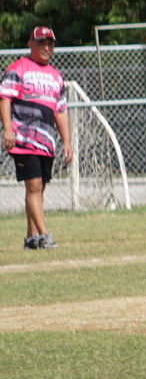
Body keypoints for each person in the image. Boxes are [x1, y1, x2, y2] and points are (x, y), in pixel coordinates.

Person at [1, 26, 73, 250]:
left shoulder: (55, 76)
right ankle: (44, 234)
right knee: (33, 186)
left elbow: (60, 111)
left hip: (46, 141)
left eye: (50, 43)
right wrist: (8, 130)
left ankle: (31, 237)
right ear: (30, 43)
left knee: (38, 190)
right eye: (42, 42)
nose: (47, 47)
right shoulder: (18, 68)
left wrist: (67, 141)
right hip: (23, 139)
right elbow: (5, 99)